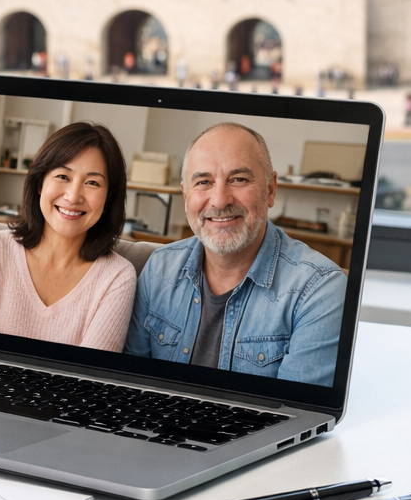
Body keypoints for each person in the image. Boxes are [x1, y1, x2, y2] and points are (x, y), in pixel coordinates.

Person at [124, 123, 345, 386]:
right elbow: (129, 381)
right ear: (185, 195)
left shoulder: (319, 290)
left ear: (270, 190)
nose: (220, 200)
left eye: (239, 179)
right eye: (203, 182)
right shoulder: (159, 269)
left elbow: (294, 407)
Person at [0, 123, 137, 351]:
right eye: (63, 176)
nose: (73, 196)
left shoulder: (117, 276)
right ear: (39, 183)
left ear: (108, 199)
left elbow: (91, 372)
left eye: (92, 183)